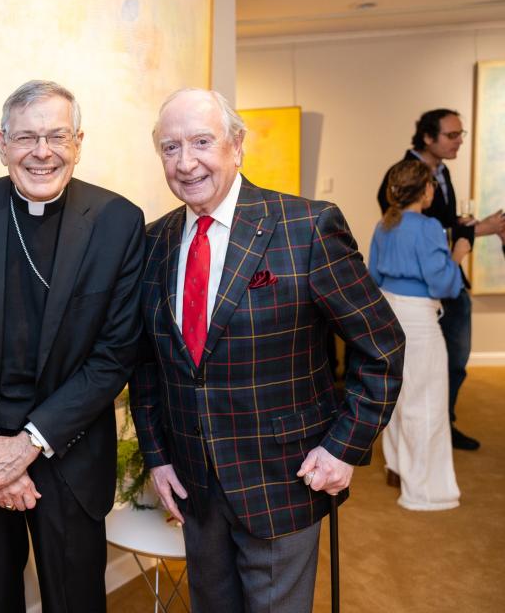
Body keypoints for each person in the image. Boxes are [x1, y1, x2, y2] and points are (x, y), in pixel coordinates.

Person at [130, 88, 405, 612]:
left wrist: (345, 445)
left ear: (237, 144)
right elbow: (147, 363)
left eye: (202, 142)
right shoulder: (153, 242)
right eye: (170, 148)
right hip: (195, 484)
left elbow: (382, 345)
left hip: (284, 478)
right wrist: (157, 456)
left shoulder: (306, 227)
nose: (186, 163)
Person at [0, 80, 144, 612]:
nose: (42, 152)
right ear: (1, 143)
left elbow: (114, 353)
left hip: (69, 448)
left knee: (76, 600)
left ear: (79, 143)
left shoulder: (118, 222)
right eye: (26, 137)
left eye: (57, 136)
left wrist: (29, 444)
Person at [376, 109, 505, 450]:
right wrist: (472, 235)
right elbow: (413, 229)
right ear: (428, 138)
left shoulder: (443, 172)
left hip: (440, 280)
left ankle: (439, 424)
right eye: (452, 135)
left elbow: (432, 226)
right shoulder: (403, 175)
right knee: (426, 372)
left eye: (461, 134)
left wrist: (464, 225)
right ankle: (428, 435)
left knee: (454, 363)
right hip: (431, 288)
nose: (459, 140)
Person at [370, 159, 467, 510]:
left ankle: (397, 467)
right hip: (419, 319)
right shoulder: (428, 227)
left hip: (389, 314)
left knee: (398, 398)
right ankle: (424, 490)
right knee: (426, 404)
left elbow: (373, 280)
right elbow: (442, 282)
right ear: (424, 190)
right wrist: (459, 254)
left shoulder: (383, 225)